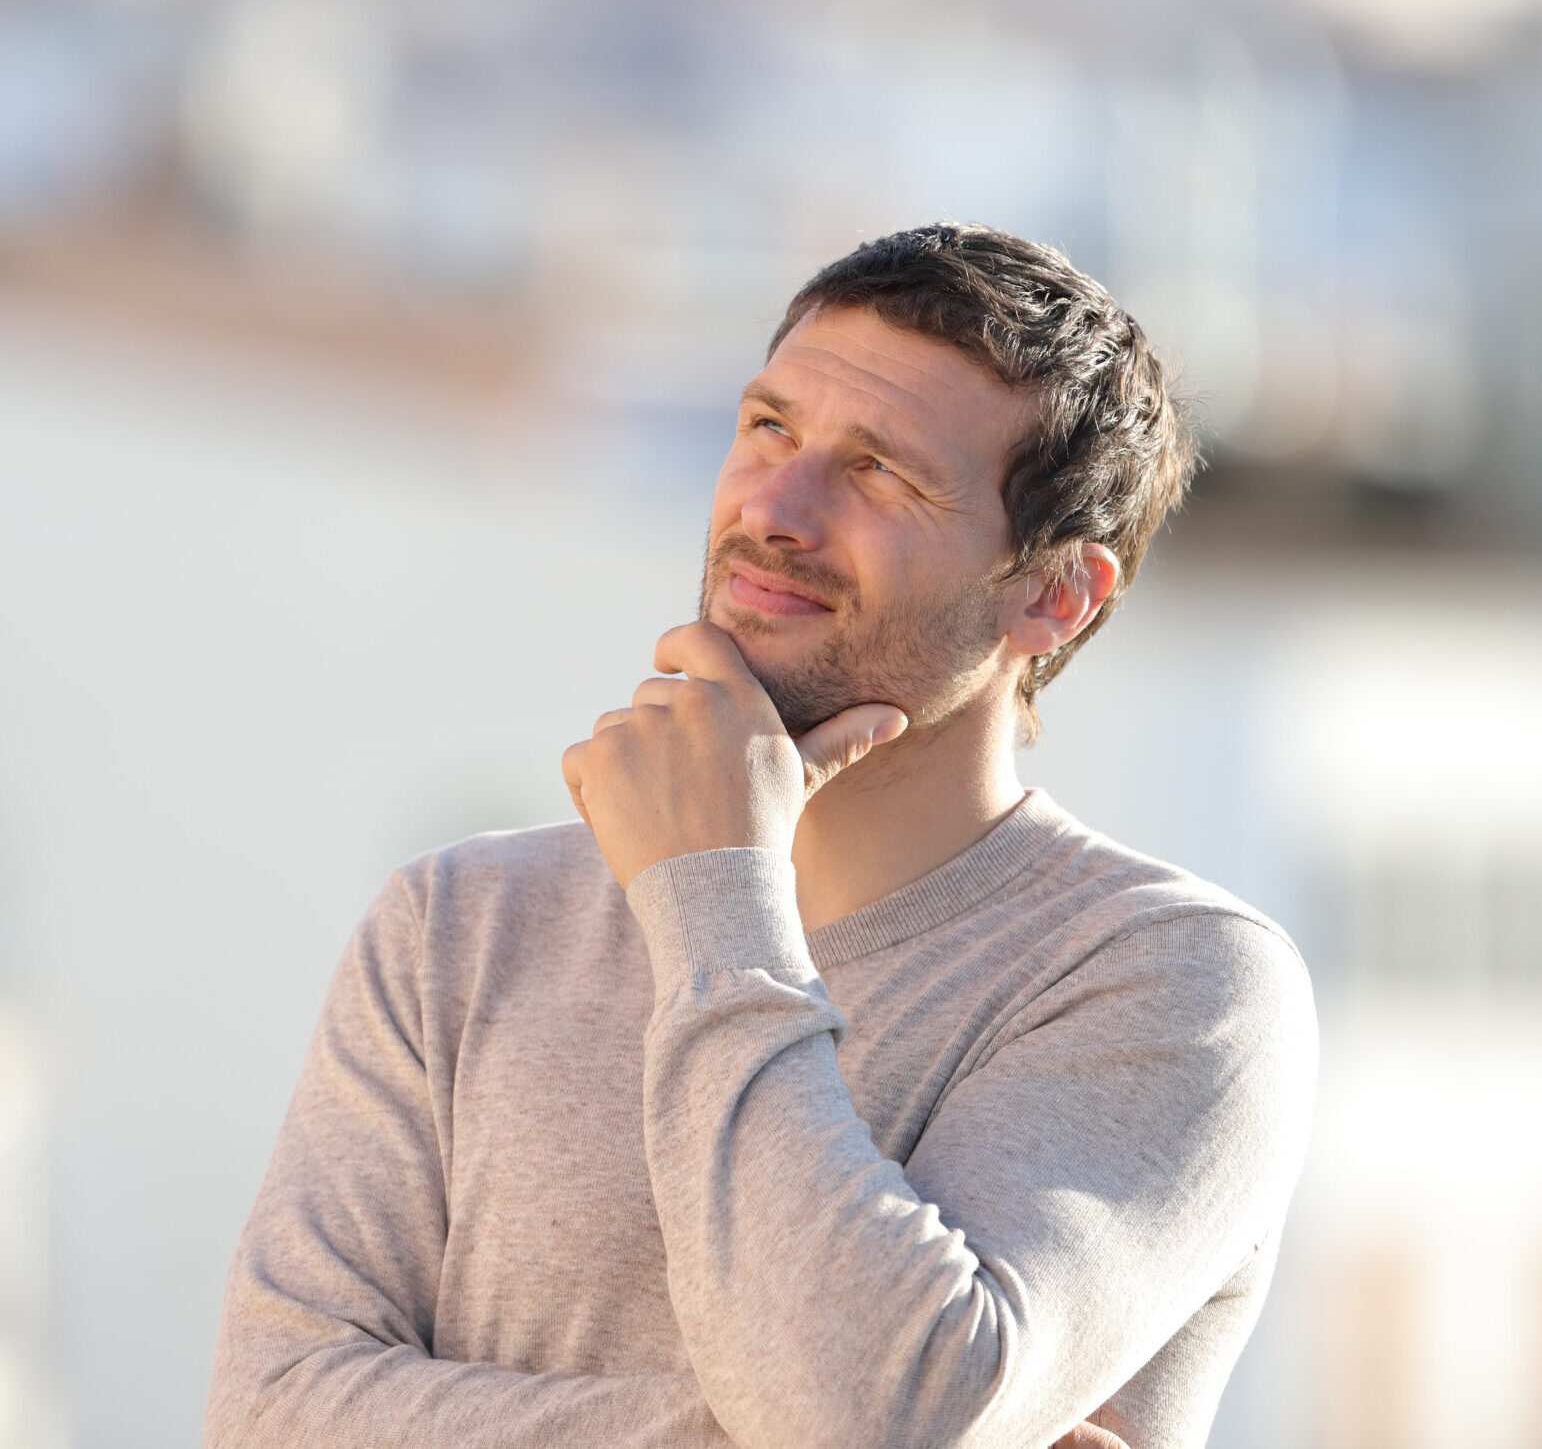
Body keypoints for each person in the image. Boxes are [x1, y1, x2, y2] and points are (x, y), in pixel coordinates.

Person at [203, 224, 1317, 1449]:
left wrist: (710, 894)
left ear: (1053, 594)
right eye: (769, 428)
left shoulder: (1175, 982)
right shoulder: (458, 927)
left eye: (879, 472)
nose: (774, 509)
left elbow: (867, 1416)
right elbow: (266, 1416)